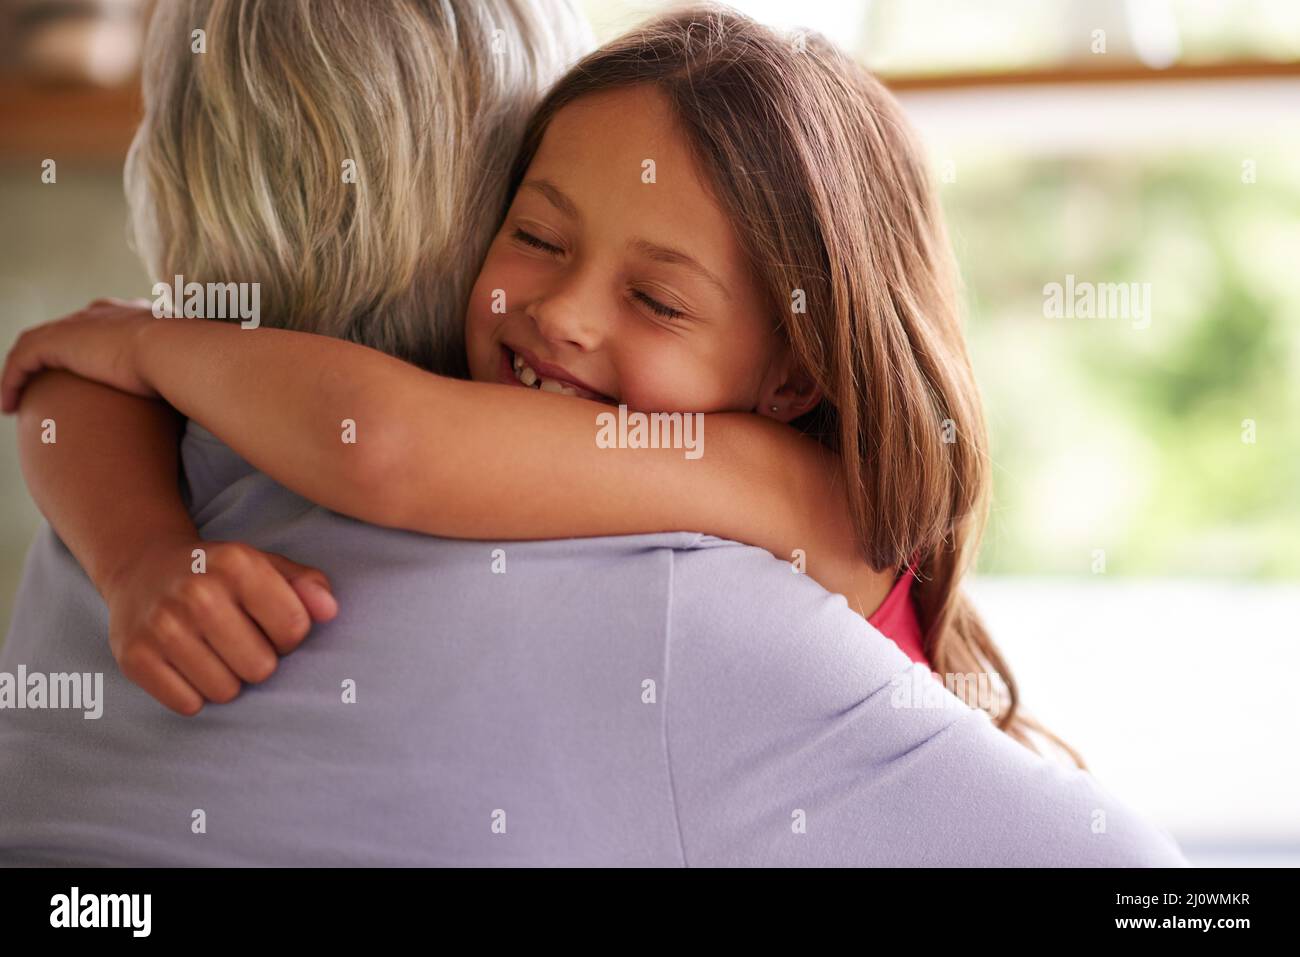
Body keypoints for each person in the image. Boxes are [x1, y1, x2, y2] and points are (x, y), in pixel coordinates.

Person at [0, 3, 1186, 865]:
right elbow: (70, 392)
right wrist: (140, 548)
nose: (560, 314)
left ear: (791, 381)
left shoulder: (779, 496)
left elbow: (385, 443)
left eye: (658, 301)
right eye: (536, 237)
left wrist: (142, 350)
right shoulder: (243, 448)